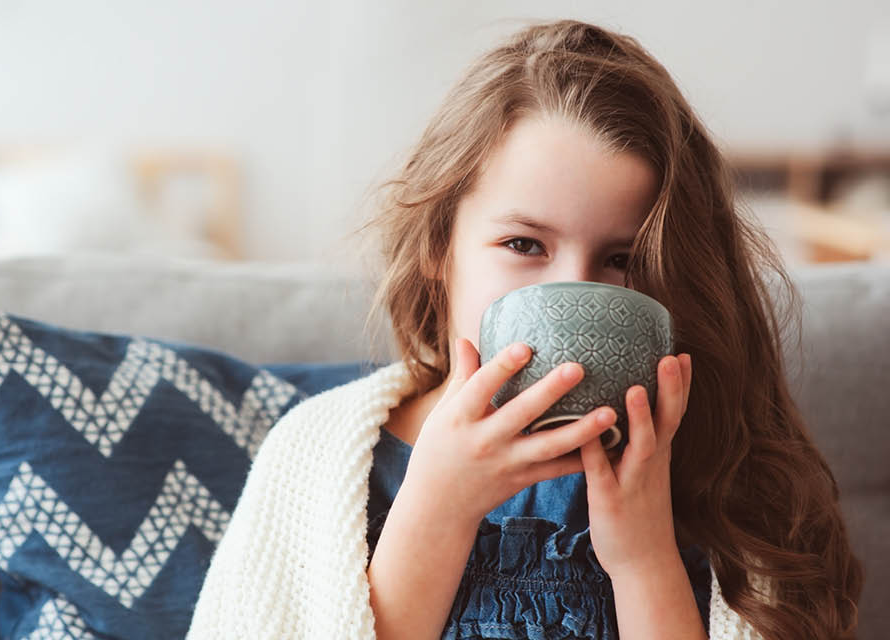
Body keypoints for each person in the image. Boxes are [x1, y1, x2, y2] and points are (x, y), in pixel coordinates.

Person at [186, 18, 863, 640]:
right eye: (523, 244)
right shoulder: (316, 456)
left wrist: (644, 560)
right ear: (437, 248)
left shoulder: (724, 472)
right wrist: (436, 514)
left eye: (622, 260)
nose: (570, 288)